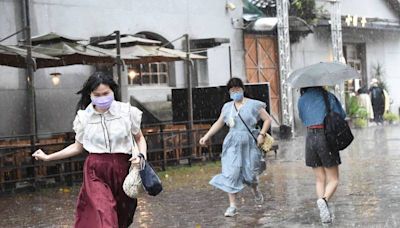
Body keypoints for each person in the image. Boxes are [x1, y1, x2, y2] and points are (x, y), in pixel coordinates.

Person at [32, 72, 147, 228]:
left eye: (106, 93)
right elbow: (77, 146)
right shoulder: (84, 118)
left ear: (113, 91)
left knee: (122, 217)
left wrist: (141, 156)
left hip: (123, 169)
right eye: (97, 94)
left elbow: (139, 138)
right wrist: (48, 157)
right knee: (103, 214)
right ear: (90, 95)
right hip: (96, 171)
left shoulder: (127, 112)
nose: (102, 97)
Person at [199, 77, 272, 217]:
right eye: (232, 90)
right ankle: (232, 205)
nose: (235, 92)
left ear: (243, 89)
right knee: (231, 173)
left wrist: (262, 134)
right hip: (232, 143)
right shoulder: (227, 107)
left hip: (250, 142)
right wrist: (206, 136)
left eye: (237, 89)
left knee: (250, 174)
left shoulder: (253, 105)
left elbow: (267, 119)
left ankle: (255, 189)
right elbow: (219, 123)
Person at [297, 86, 346, 224]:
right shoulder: (327, 96)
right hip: (325, 137)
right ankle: (324, 201)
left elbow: (302, 118)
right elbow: (341, 114)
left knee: (319, 179)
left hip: (310, 138)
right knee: (334, 179)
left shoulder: (302, 99)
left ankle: (323, 211)